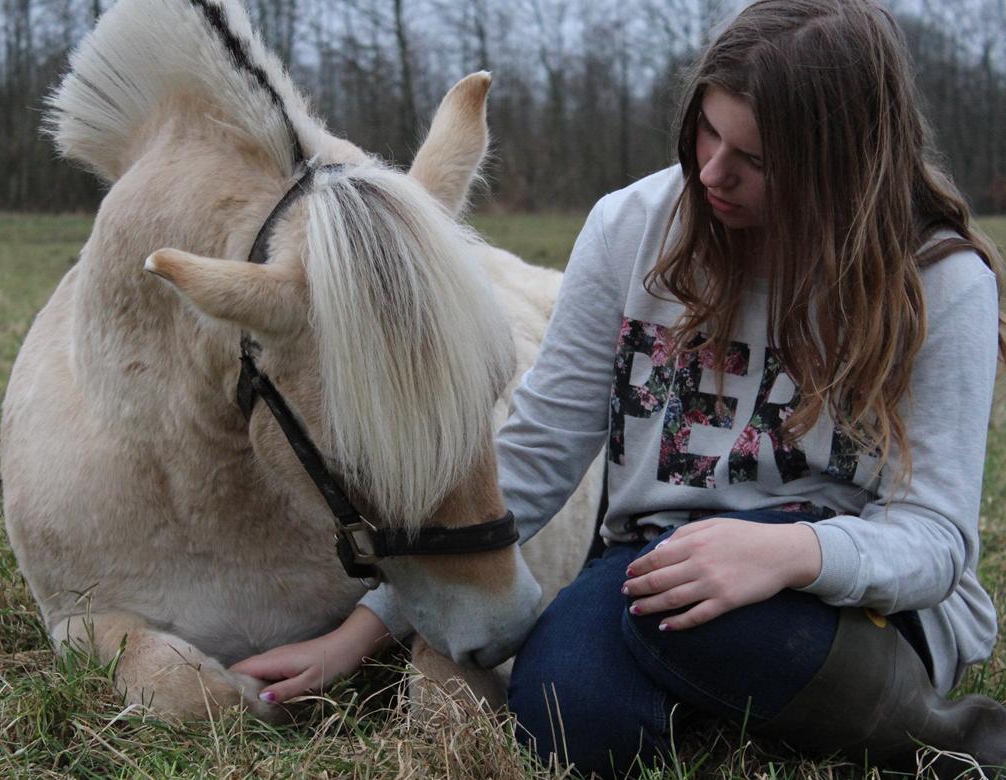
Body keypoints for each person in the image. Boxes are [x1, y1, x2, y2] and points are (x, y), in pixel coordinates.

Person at [231, 0, 1006, 775]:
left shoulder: (939, 282)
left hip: (851, 594)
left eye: (757, 159)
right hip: (652, 570)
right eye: (707, 131)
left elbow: (934, 539)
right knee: (561, 714)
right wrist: (362, 630)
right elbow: (535, 456)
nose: (713, 171)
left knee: (710, 631)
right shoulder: (629, 228)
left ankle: (951, 738)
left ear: (843, 166)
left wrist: (789, 552)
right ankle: (743, 713)